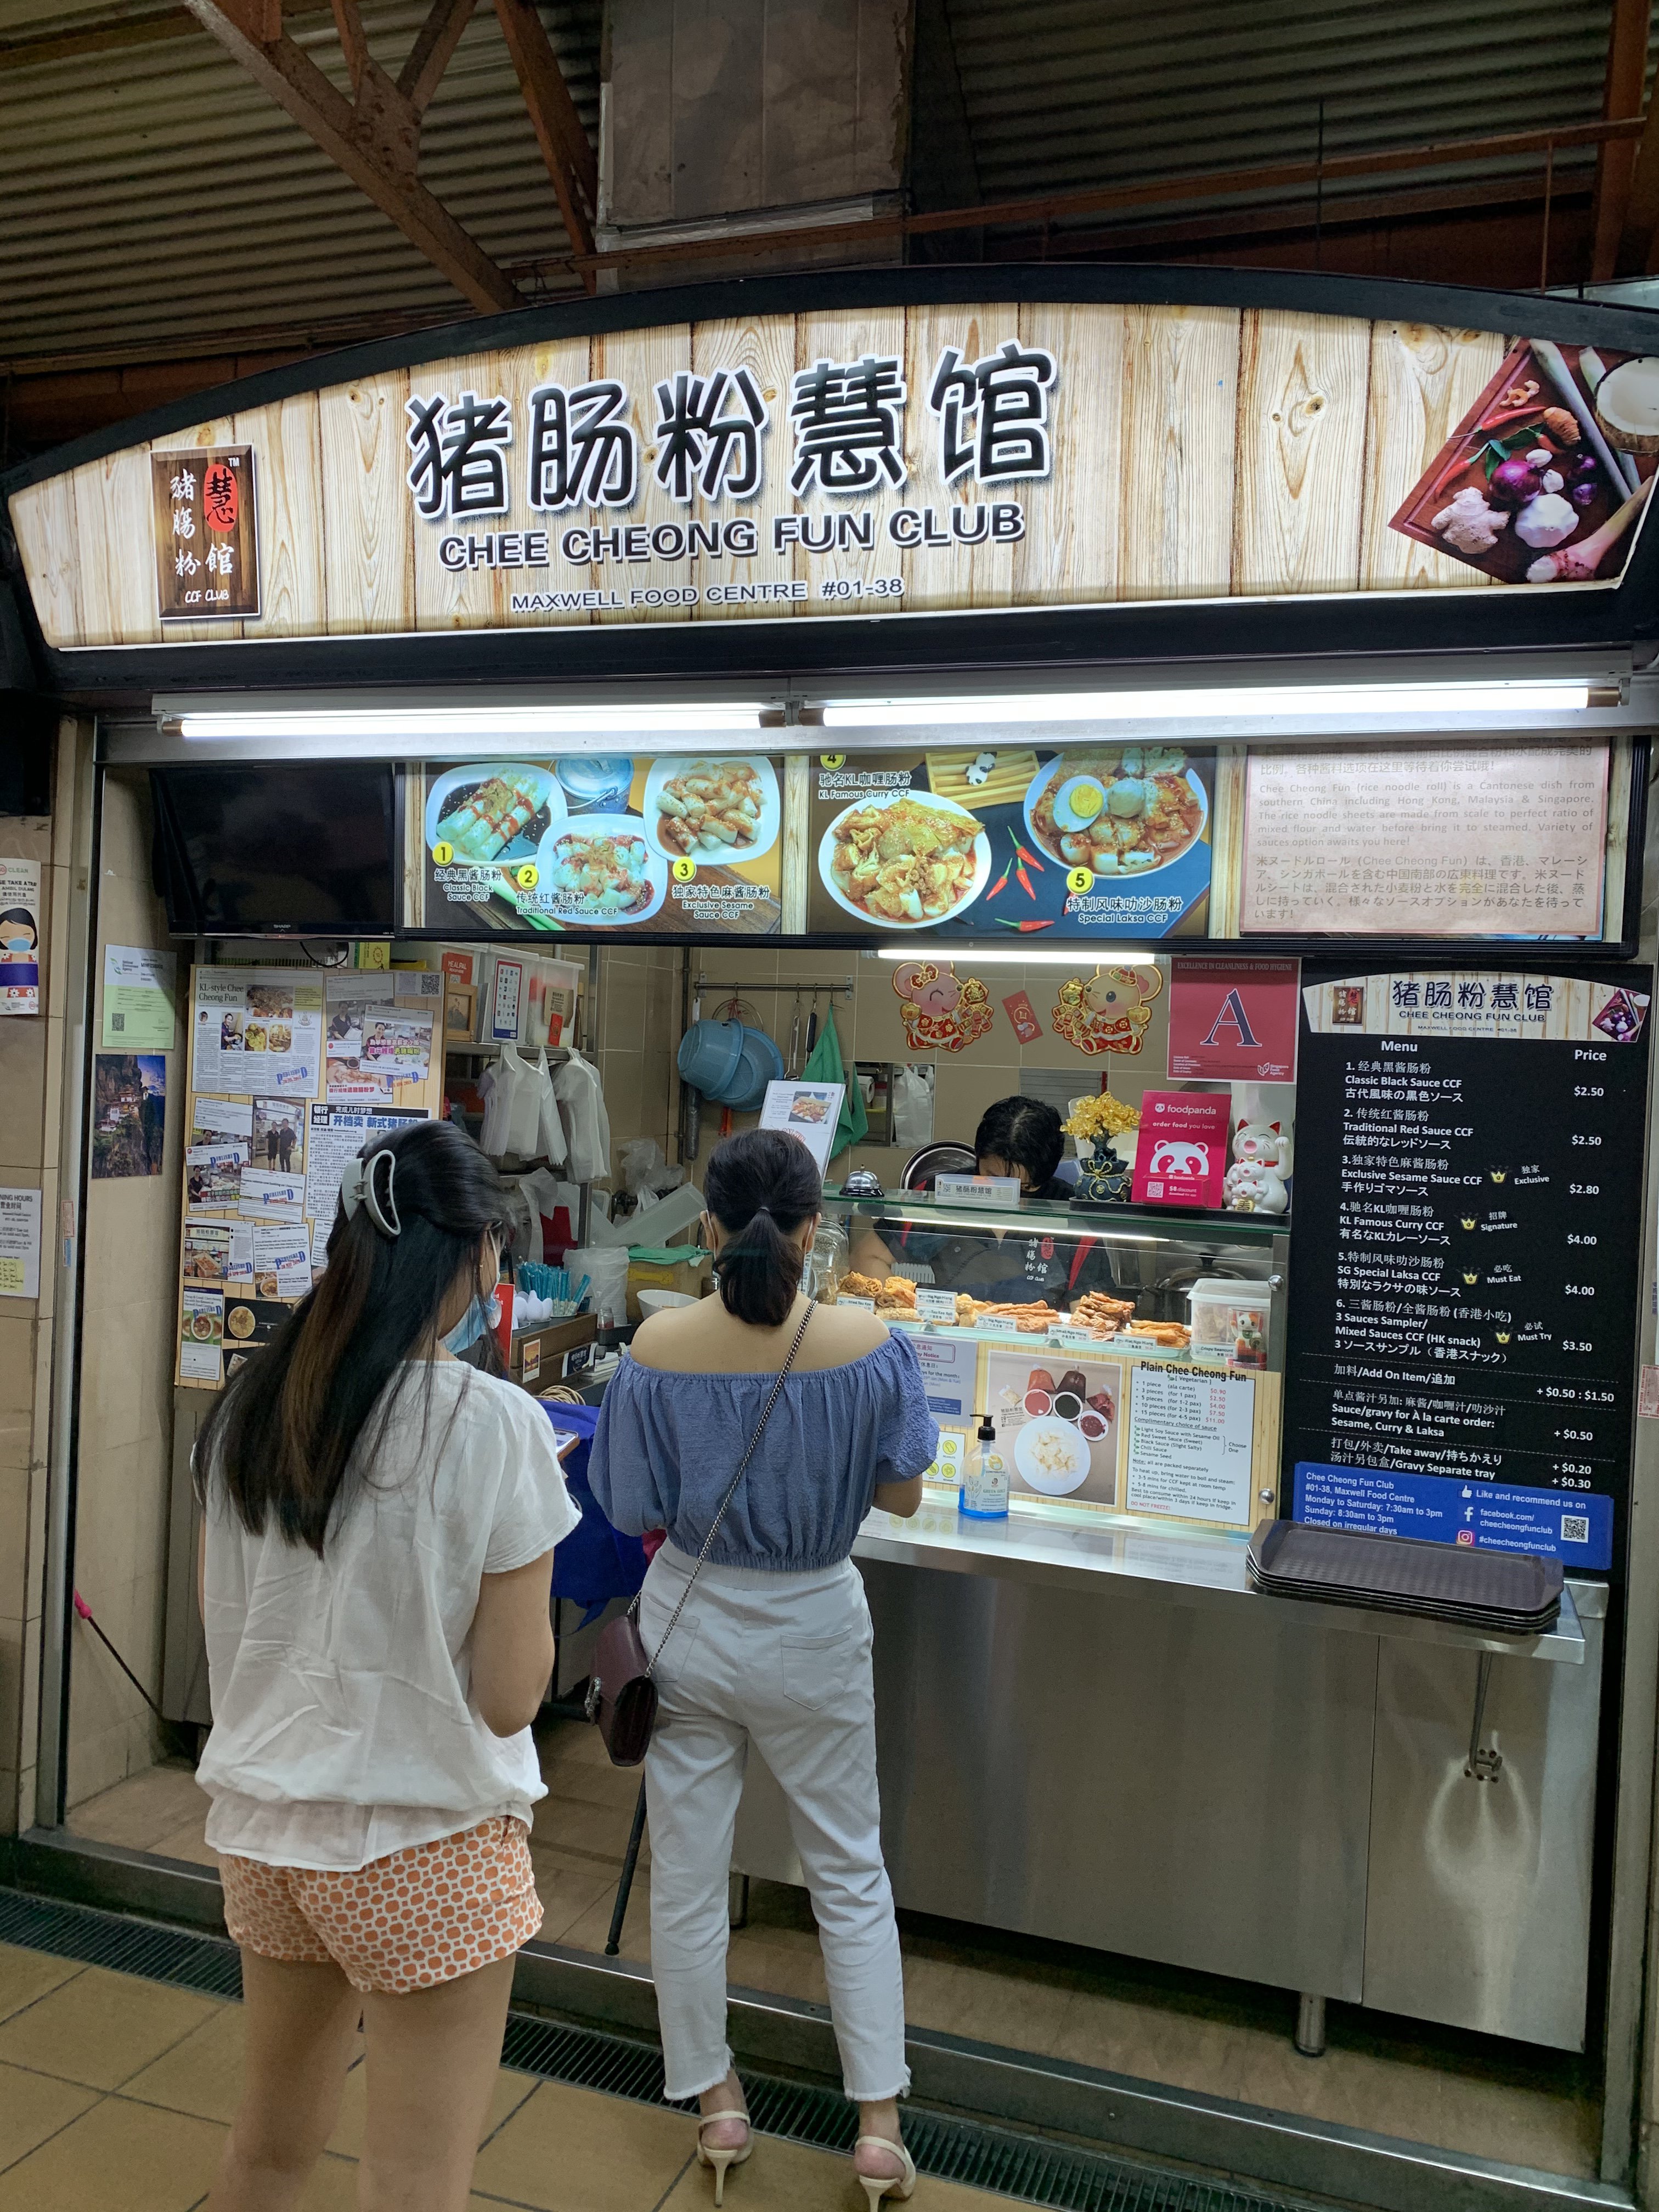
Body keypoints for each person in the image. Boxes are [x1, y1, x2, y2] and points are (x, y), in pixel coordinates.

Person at [194, 1120, 580, 2212]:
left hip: (267, 1831)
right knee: (414, 2179)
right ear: (472, 1255)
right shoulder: (496, 1424)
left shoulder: (249, 1408)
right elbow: (509, 1697)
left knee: (269, 2148)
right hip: (426, 1841)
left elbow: (233, 1629)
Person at [589, 1128, 936, 2210]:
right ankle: (876, 2127)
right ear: (813, 1228)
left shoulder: (655, 1348)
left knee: (689, 1874)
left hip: (688, 1623)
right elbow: (903, 1495)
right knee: (848, 1871)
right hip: (815, 1626)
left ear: (707, 1226)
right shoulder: (869, 1343)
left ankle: (718, 2103)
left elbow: (630, 1508)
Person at [849, 1094, 1122, 1308]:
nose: (1004, 1193)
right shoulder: (938, 1193)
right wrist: (908, 1309)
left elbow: (1090, 1310)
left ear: (1044, 1176)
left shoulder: (1070, 1212)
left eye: (1022, 1187)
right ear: (978, 1158)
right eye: (991, 1176)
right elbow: (867, 1257)